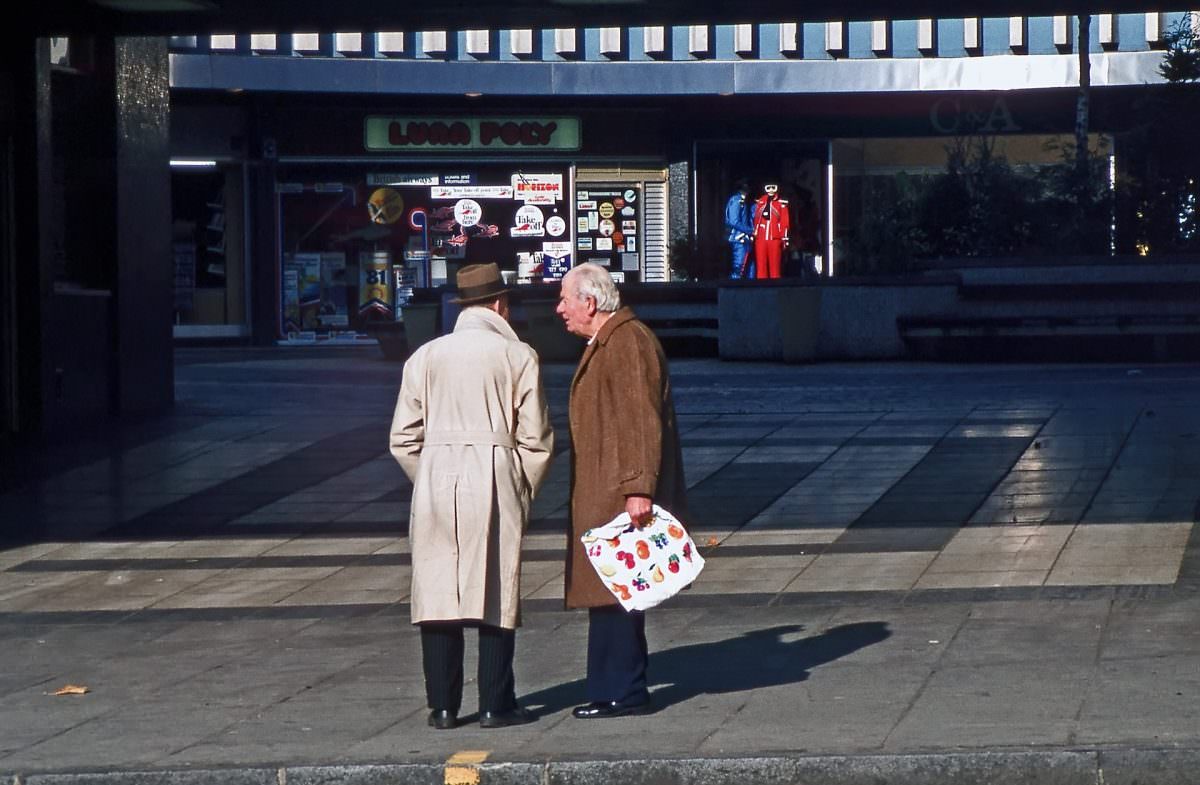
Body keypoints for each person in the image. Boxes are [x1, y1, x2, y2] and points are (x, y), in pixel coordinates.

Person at [389, 262, 554, 730]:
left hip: (438, 476)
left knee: (439, 591)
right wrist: (521, 487)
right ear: (500, 305)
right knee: (495, 588)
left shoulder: (425, 356)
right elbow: (537, 438)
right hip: (494, 471)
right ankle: (495, 703)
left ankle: (442, 706)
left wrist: (429, 475)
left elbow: (401, 437)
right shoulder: (517, 355)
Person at [555, 262, 688, 719]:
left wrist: (638, 488)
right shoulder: (612, 340)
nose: (560, 309)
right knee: (613, 592)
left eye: (565, 300)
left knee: (617, 592)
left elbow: (640, 419)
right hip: (610, 488)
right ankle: (613, 688)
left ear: (590, 303)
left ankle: (622, 692)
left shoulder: (627, 341)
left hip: (619, 493)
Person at [752, 183, 790, 279]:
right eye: (768, 187)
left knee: (775, 267)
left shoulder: (781, 204)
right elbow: (753, 219)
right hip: (760, 237)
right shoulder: (759, 203)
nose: (771, 190)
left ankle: (775, 288)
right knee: (761, 267)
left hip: (775, 238)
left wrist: (784, 238)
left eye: (774, 187)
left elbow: (784, 222)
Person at [724, 179, 755, 278]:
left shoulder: (742, 201)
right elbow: (734, 221)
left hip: (744, 238)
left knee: (749, 267)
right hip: (738, 238)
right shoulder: (737, 200)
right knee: (739, 267)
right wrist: (750, 230)